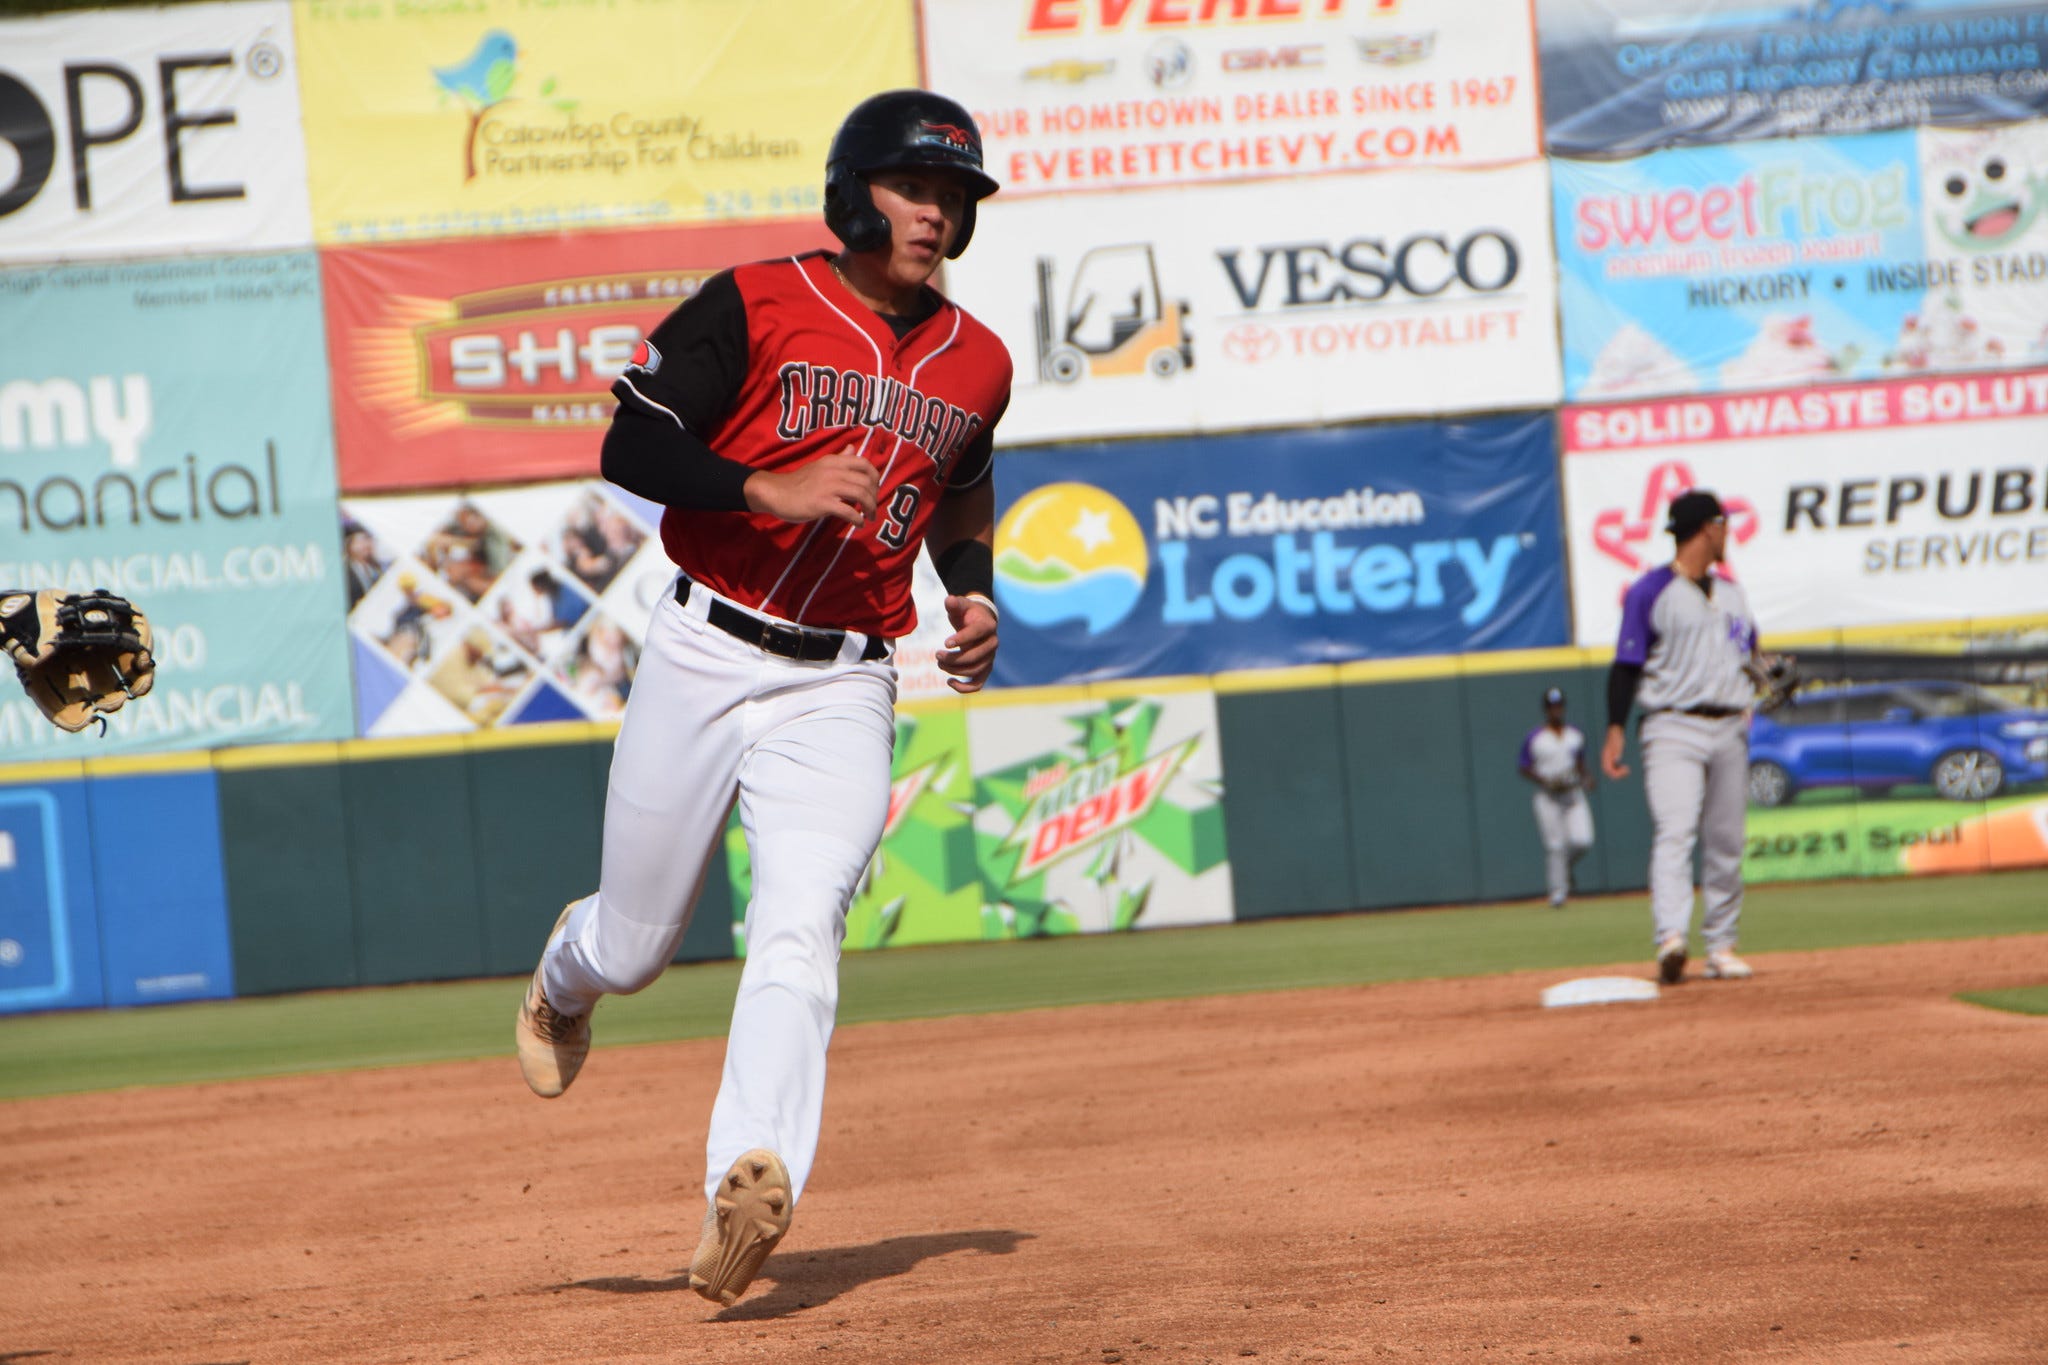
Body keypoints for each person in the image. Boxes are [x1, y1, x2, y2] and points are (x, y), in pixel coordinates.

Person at [511, 89, 1011, 1309]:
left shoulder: (979, 362)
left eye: (951, 197)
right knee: (633, 949)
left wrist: (974, 594)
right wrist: (759, 486)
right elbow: (630, 445)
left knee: (800, 927)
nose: (933, 215)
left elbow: (958, 491)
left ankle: (751, 1173)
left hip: (845, 678)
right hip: (702, 651)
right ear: (854, 195)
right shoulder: (756, 299)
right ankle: (562, 979)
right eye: (911, 189)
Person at [1600, 489, 1761, 985]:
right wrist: (1614, 730)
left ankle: (1721, 945)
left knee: (1726, 840)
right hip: (1672, 726)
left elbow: (1750, 656)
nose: (1728, 533)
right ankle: (1671, 939)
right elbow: (1626, 667)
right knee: (1676, 831)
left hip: (1729, 725)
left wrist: (1769, 675)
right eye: (1723, 525)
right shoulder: (1651, 591)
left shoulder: (1733, 595)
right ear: (1706, 529)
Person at [1518, 685, 1593, 908]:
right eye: (1552, 706)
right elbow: (1524, 766)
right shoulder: (1536, 737)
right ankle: (1558, 893)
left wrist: (1586, 778)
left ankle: (1565, 869)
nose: (1556, 710)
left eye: (1559, 706)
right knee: (1555, 845)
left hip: (1572, 793)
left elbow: (1580, 764)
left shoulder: (1574, 735)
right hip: (1548, 795)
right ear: (1545, 710)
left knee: (1583, 840)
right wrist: (1544, 780)